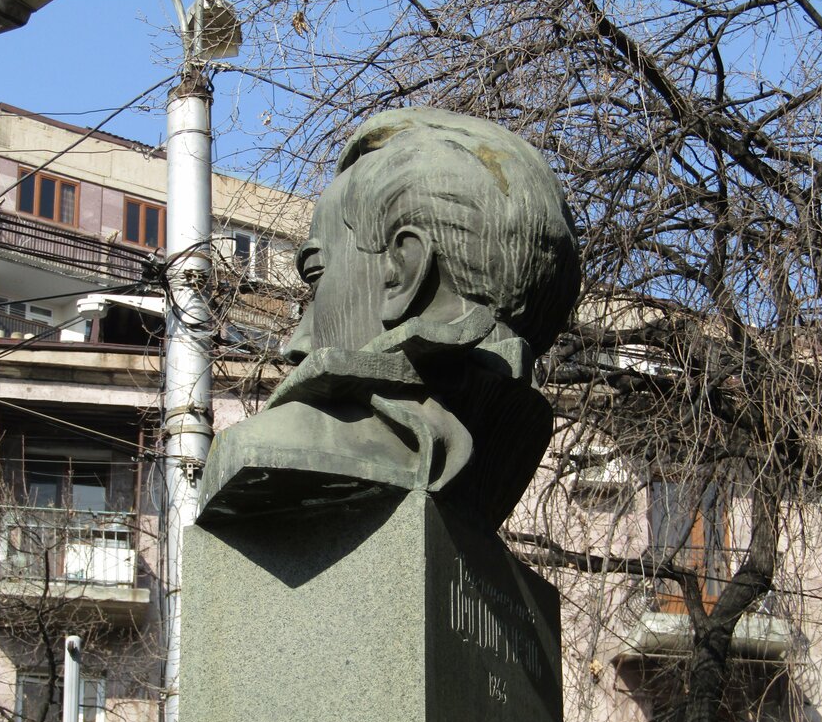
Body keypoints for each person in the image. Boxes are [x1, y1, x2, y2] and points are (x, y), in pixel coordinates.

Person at [199, 107, 580, 532]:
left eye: (317, 275)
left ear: (404, 268)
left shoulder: (264, 449)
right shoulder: (504, 446)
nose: (296, 343)